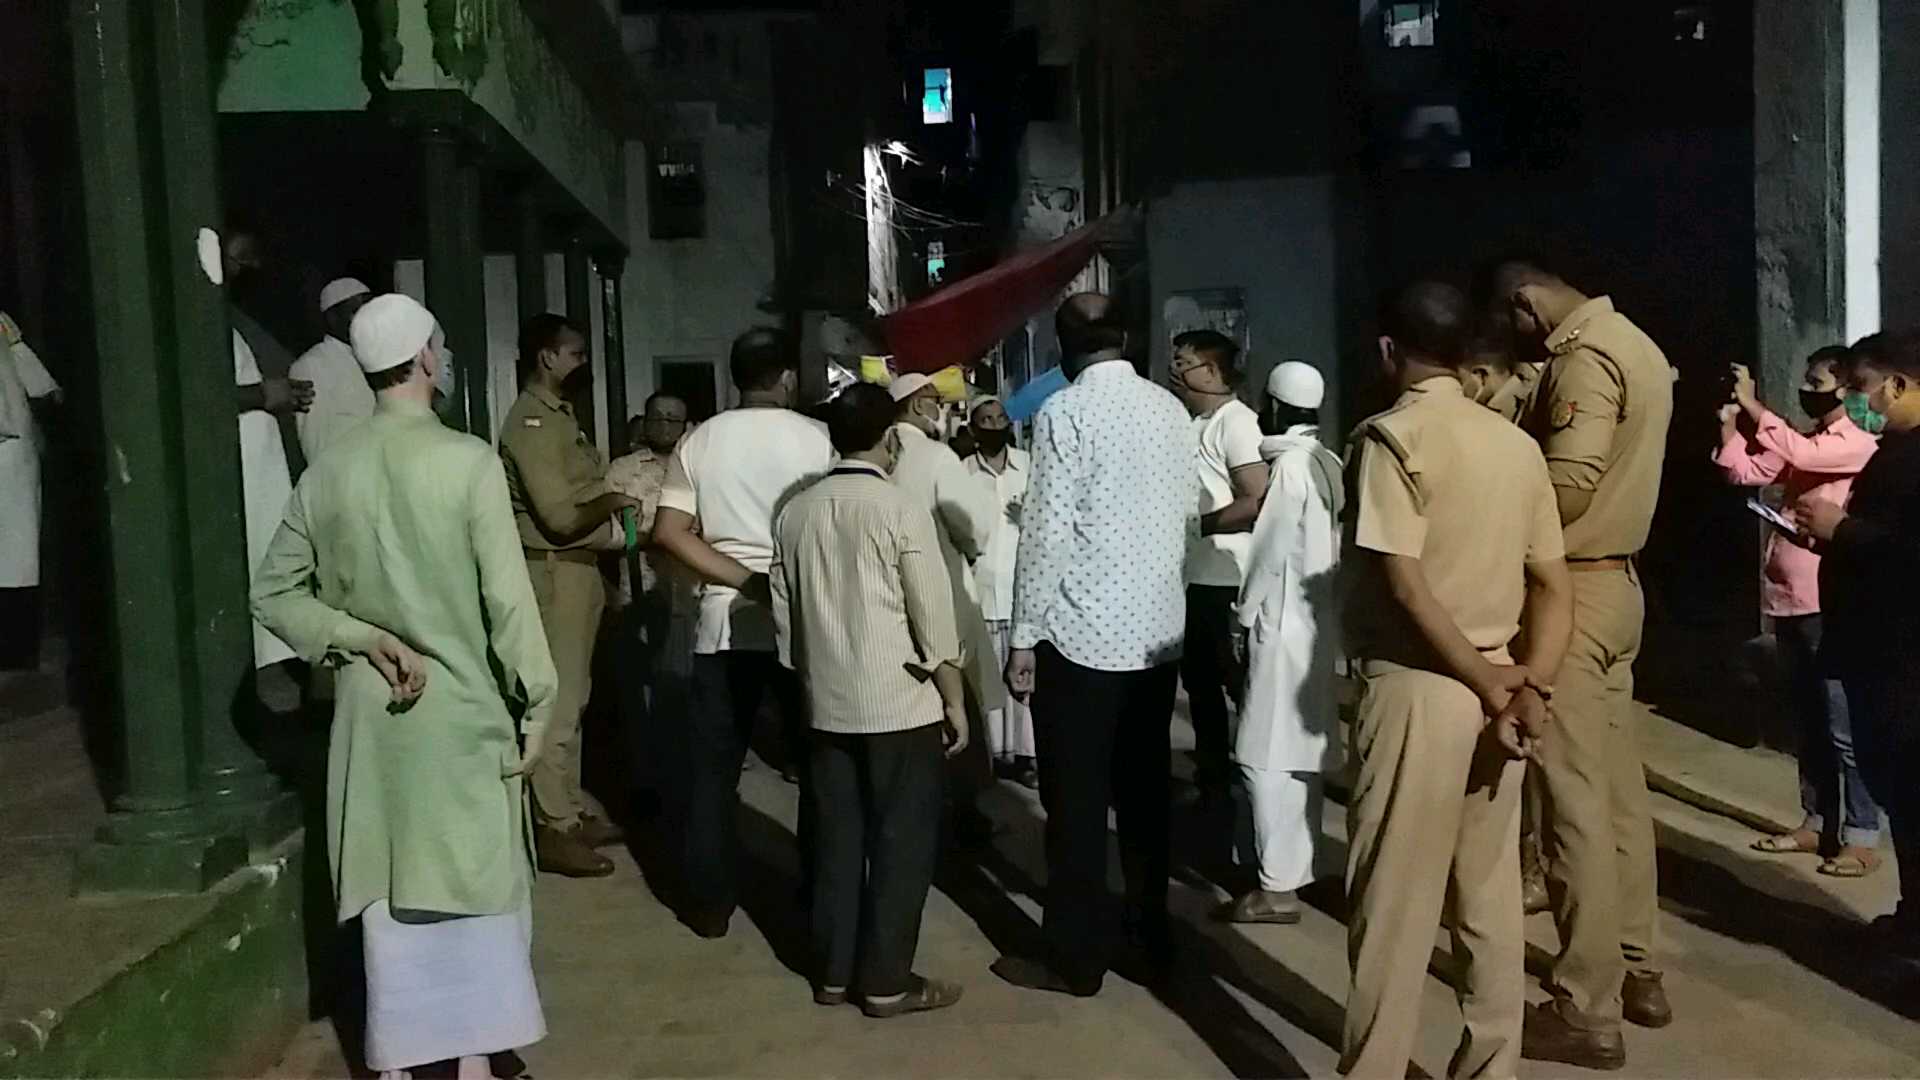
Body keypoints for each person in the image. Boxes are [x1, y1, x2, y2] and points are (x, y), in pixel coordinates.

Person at [252, 294, 553, 1078]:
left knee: (395, 906)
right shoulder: (467, 462)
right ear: (423, 359)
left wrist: (359, 636)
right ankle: (476, 1057)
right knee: (474, 897)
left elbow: (274, 593)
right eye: (441, 347)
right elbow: (509, 606)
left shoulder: (331, 470)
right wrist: (540, 700)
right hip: (460, 721)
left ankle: (408, 1061)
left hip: (373, 727)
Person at [1339, 281, 1573, 1080]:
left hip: (1421, 684)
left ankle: (1375, 1066)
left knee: (1394, 901)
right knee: (1488, 898)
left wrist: (1481, 680)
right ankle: (1491, 1064)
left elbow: (1404, 585)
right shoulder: (1516, 445)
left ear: (1388, 351)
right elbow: (1553, 583)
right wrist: (1525, 685)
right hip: (1506, 682)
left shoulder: (1391, 440)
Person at [990, 293, 1196, 997]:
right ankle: (1150, 938)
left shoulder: (1065, 413)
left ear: (1062, 345)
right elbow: (1186, 515)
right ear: (1127, 336)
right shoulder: (1170, 410)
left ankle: (1076, 956)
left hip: (1081, 636)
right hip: (1156, 637)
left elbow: (1045, 533)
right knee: (1143, 799)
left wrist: (1023, 637)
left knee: (1075, 806)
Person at [1496, 260, 1675, 1066]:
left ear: (1524, 305)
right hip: (1618, 586)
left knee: (1570, 806)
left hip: (1575, 589)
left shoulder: (1586, 356)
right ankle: (1637, 967)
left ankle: (1586, 1005)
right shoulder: (1631, 341)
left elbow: (1569, 479)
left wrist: (1496, 498)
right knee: (1617, 795)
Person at [771, 382, 970, 1018]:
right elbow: (932, 616)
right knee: (900, 844)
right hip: (898, 700)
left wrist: (807, 680)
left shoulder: (796, 512)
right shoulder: (898, 508)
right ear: (889, 439)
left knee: (834, 839)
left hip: (826, 700)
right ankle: (885, 979)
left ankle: (833, 972)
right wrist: (954, 698)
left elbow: (785, 617)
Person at [652, 326, 835, 939]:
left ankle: (709, 904)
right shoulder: (817, 439)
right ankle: (818, 895)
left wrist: (741, 577)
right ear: (784, 377)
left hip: (720, 625)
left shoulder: (700, 440)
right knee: (817, 768)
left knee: (714, 772)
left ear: (734, 376)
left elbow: (671, 532)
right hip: (800, 625)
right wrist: (776, 583)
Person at [1715, 347, 1881, 876]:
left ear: (1847, 388)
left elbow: (1800, 458)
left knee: (1842, 725)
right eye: (1806, 378)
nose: (1810, 388)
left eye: (1819, 380)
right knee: (1807, 721)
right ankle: (1816, 821)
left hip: (1824, 599)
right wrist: (1731, 425)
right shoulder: (1803, 440)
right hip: (1786, 599)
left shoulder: (1856, 445)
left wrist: (1756, 408)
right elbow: (1748, 471)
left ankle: (1860, 834)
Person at [499, 313, 639, 877]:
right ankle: (553, 826)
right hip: (556, 569)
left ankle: (570, 811)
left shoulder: (557, 417)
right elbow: (558, 516)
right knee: (555, 703)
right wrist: (614, 500)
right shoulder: (531, 423)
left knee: (574, 697)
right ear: (547, 357)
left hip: (578, 570)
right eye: (575, 354)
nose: (582, 364)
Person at [1796, 329, 1920, 952]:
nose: (1856, 402)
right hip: (1877, 649)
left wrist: (1844, 531)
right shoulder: (1892, 449)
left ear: (1899, 384)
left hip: (1906, 659)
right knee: (1901, 792)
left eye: (1865, 388)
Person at [1218, 361, 1343, 926]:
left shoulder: (1290, 470)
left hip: (1282, 626)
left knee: (1260, 758)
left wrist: (1241, 616)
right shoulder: (1329, 463)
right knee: (1299, 761)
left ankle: (1275, 887)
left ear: (1273, 406)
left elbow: (1268, 553)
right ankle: (1299, 869)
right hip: (1318, 631)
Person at [889, 372, 1002, 843]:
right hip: (941, 591)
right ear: (918, 406)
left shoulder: (872, 454)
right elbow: (974, 525)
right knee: (959, 703)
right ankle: (962, 809)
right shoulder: (935, 456)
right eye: (935, 401)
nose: (940, 409)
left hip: (886, 600)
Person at [1167, 329, 1268, 800]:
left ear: (1210, 370)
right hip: (1193, 580)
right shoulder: (1191, 424)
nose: (1175, 371)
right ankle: (1212, 776)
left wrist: (1196, 528)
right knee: (1200, 686)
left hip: (1228, 580)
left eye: (1184, 362)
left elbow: (1256, 498)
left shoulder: (1237, 424)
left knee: (1238, 684)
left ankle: (1254, 778)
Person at [606, 393, 695, 811]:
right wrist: (647, 540)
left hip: (689, 591)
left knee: (681, 687)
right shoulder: (622, 471)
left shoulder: (696, 464)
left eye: (673, 419)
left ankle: (683, 773)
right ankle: (645, 779)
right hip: (636, 589)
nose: (664, 425)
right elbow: (607, 535)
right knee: (637, 689)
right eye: (657, 417)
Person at [962, 395, 1037, 788]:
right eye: (985, 419)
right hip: (982, 589)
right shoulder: (961, 472)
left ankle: (1026, 756)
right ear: (973, 429)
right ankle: (993, 756)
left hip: (1024, 590)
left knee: (1023, 679)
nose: (994, 425)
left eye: (1000, 418)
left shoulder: (1030, 467)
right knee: (987, 679)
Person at [0, 312, 59, 672]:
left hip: (10, 451)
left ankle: (17, 657)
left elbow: (38, 383)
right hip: (12, 451)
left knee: (16, 561)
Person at [289, 278, 374, 463]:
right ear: (333, 318)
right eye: (356, 311)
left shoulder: (376, 358)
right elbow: (314, 445)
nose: (366, 319)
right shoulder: (311, 365)